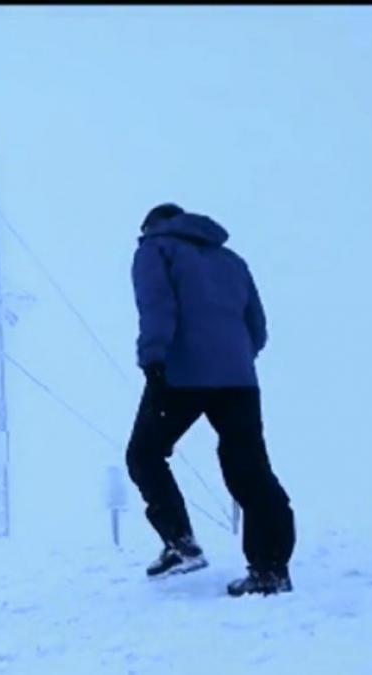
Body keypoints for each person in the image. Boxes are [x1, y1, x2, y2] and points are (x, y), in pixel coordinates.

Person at [126, 203, 296, 596]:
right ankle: (270, 570)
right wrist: (234, 358)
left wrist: (153, 356)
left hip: (180, 373)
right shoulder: (231, 260)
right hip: (238, 379)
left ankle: (181, 543)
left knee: (145, 454)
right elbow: (257, 327)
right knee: (250, 468)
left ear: (153, 226)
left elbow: (156, 306)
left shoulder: (155, 249)